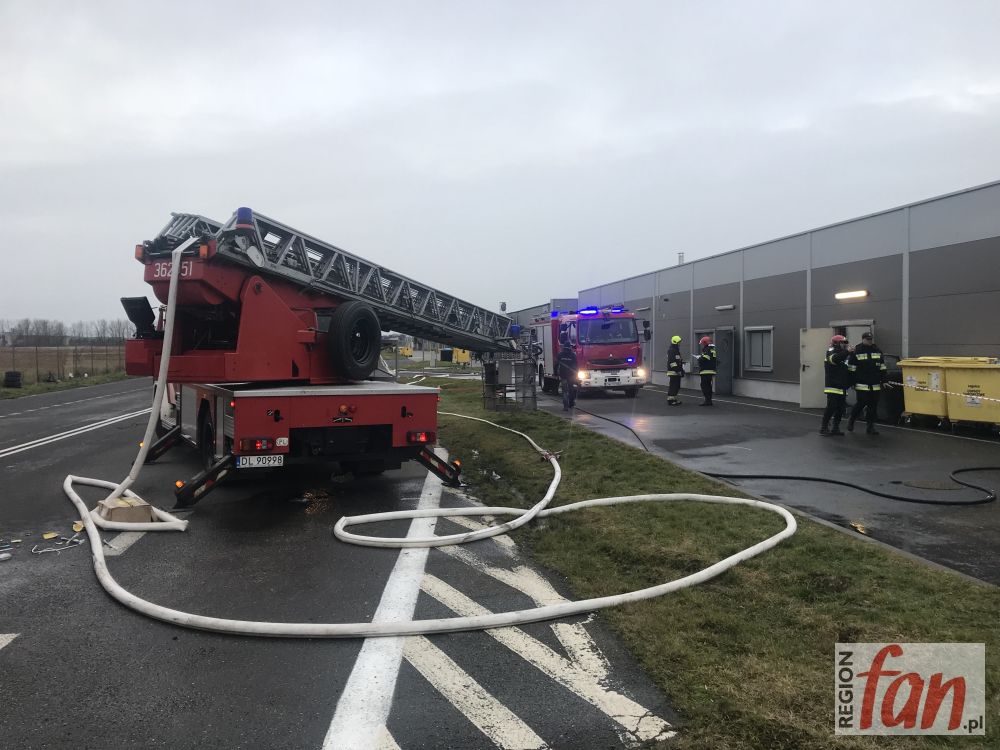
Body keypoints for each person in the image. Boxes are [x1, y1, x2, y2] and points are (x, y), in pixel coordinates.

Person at [848, 331, 887, 434]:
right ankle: (851, 420)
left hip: (875, 384)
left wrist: (884, 380)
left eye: (871, 339)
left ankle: (870, 427)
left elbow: (882, 367)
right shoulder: (857, 351)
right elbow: (851, 368)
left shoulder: (877, 350)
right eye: (867, 339)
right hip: (862, 383)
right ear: (863, 339)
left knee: (873, 406)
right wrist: (851, 382)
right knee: (861, 403)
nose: (870, 341)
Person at [820, 334, 853, 436]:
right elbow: (835, 359)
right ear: (836, 343)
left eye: (845, 343)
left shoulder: (845, 354)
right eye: (843, 343)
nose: (845, 345)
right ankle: (824, 427)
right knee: (831, 407)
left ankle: (835, 428)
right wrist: (847, 352)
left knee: (841, 408)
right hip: (832, 386)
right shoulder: (830, 352)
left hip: (842, 386)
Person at [556, 335, 579, 411]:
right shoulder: (573, 355)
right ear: (570, 347)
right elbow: (576, 365)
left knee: (565, 392)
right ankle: (571, 403)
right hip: (571, 376)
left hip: (563, 376)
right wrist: (576, 374)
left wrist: (556, 374)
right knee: (571, 390)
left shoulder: (560, 354)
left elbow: (556, 364)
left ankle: (565, 407)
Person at [696, 336, 717, 406]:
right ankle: (709, 400)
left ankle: (707, 400)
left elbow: (705, 358)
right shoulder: (712, 349)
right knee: (708, 385)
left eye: (702, 343)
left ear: (705, 343)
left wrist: (699, 358)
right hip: (711, 370)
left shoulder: (707, 349)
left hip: (705, 370)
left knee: (704, 386)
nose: (702, 344)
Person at [666, 334, 684, 405]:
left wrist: (681, 370)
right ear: (675, 342)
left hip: (676, 371)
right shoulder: (672, 351)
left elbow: (678, 361)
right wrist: (678, 370)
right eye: (679, 342)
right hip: (673, 372)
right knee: (673, 386)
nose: (680, 343)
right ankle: (670, 400)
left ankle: (673, 399)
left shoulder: (675, 350)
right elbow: (672, 362)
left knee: (676, 386)